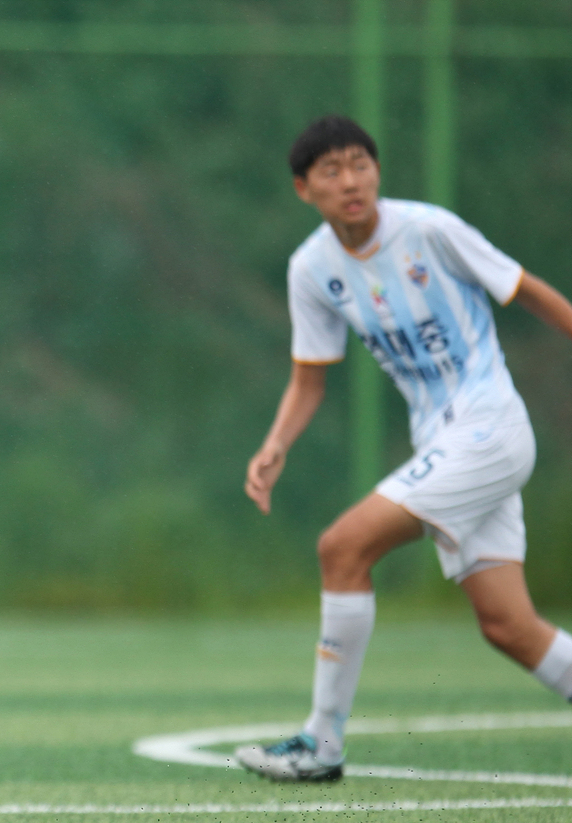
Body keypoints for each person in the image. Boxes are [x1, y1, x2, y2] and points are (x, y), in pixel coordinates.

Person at [236, 115, 572, 781]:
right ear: (304, 188)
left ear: (378, 170)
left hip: (490, 427)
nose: (350, 181)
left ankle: (321, 744)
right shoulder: (311, 267)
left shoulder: (429, 230)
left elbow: (527, 290)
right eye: (331, 171)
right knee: (508, 626)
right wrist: (276, 444)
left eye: (360, 164)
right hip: (442, 441)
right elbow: (309, 378)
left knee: (342, 546)